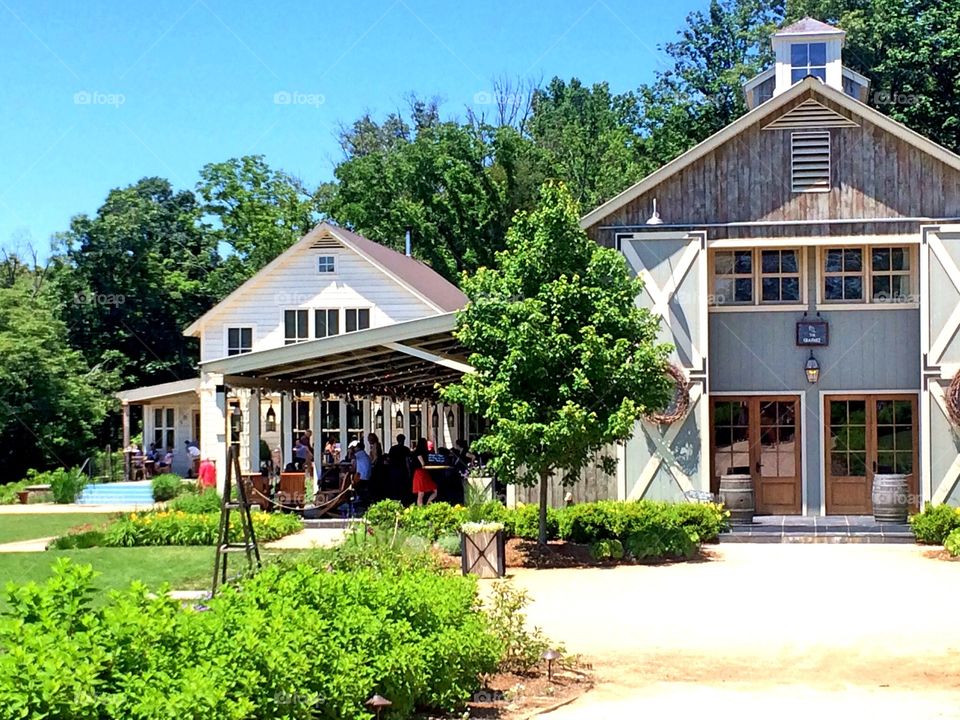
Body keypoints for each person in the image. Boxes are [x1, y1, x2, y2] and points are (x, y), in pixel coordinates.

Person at [411, 437, 436, 506]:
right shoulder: (419, 452)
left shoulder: (419, 451)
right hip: (420, 473)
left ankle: (426, 505)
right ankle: (422, 508)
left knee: (424, 492)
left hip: (423, 472)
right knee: (421, 493)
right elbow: (423, 464)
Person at [387, 434, 412, 502]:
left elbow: (389, 459)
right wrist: (409, 471)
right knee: (403, 486)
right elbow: (407, 461)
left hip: (394, 469)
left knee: (394, 485)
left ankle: (395, 499)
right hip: (403, 470)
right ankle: (403, 500)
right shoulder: (406, 449)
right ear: (404, 440)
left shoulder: (393, 448)